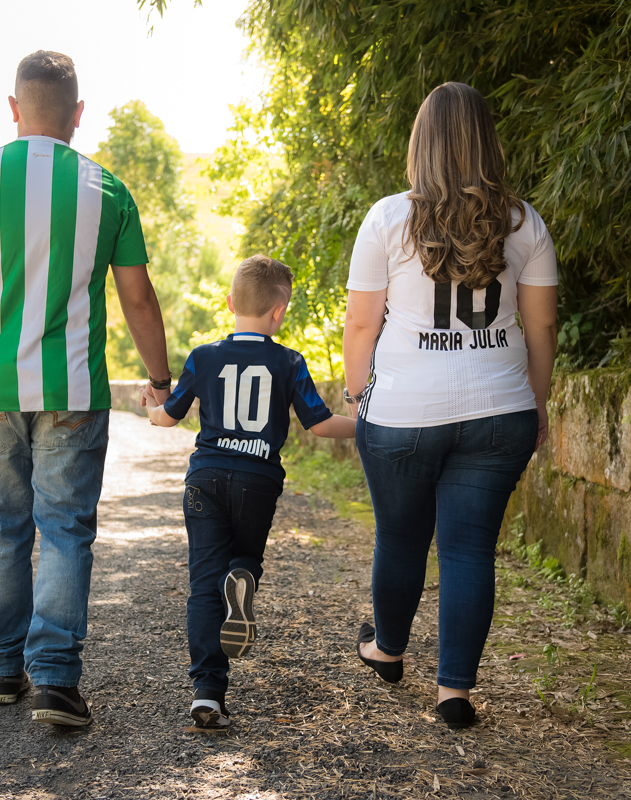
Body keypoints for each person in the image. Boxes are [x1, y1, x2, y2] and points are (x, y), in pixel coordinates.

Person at [0, 50, 172, 728]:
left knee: (1, 530)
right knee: (62, 531)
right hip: (74, 392)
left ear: (14, 109)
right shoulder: (107, 191)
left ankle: (4, 670)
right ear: (78, 115)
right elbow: (139, 298)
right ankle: (55, 682)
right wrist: (158, 378)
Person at [341, 82, 558, 729]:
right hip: (500, 411)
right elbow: (542, 330)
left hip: (404, 410)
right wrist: (537, 403)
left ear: (420, 143)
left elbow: (360, 327)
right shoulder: (524, 223)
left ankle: (387, 650)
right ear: (486, 141)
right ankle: (455, 692)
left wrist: (360, 398)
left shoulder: (386, 219)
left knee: (401, 538)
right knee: (468, 549)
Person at [142, 255, 357, 730]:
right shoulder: (289, 361)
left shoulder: (203, 356)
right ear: (279, 312)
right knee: (244, 559)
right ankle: (242, 574)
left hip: (206, 478)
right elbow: (320, 424)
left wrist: (153, 408)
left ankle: (208, 694)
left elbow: (170, 416)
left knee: (203, 584)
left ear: (229, 302)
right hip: (258, 480)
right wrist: (368, 428)